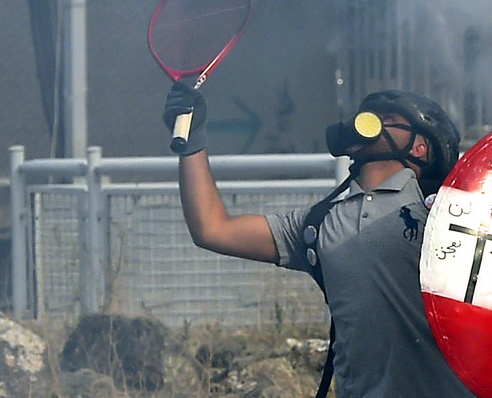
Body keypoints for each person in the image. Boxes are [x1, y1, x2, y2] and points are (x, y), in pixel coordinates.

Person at [162, 82, 473, 397]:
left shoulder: (445, 214)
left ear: (420, 148)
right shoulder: (319, 224)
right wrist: (194, 141)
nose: (370, 118)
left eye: (389, 117)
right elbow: (212, 228)